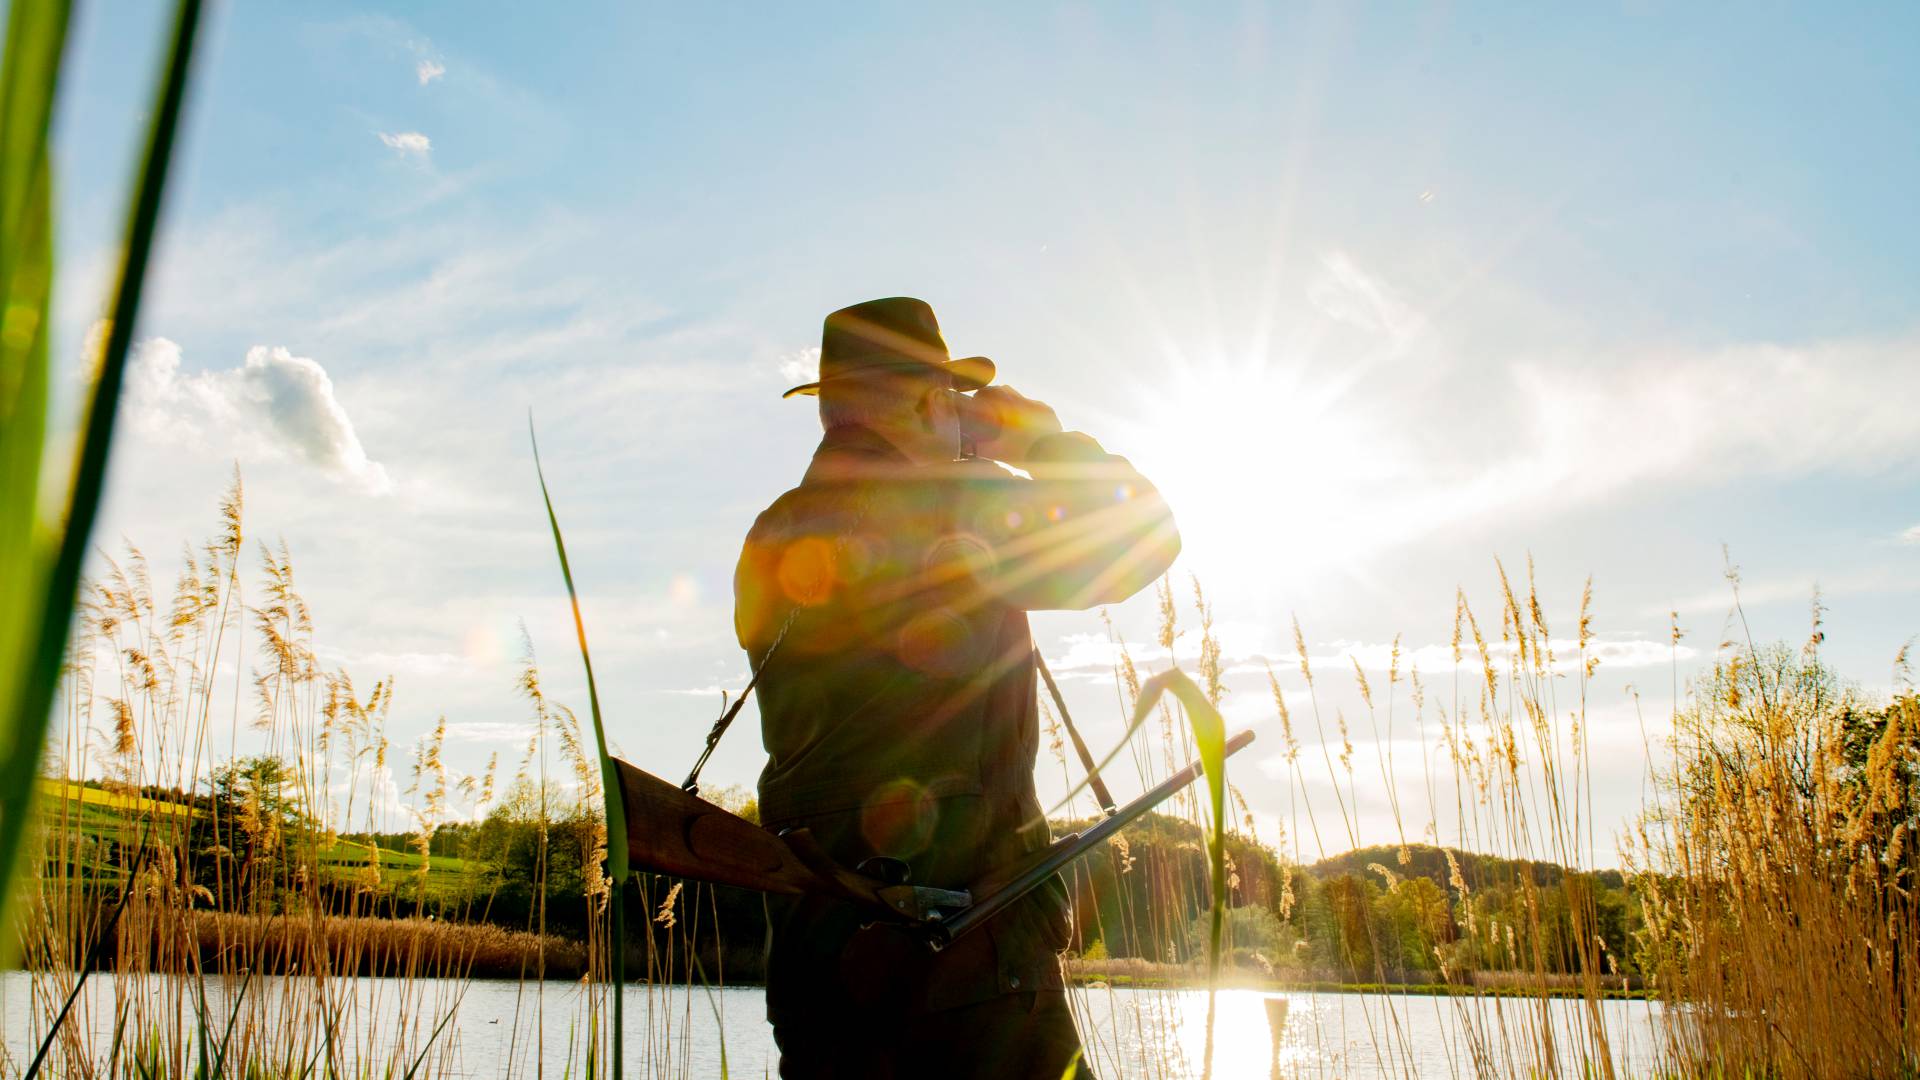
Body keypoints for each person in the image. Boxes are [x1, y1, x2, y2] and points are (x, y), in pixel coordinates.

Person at [734, 297, 1180, 1078]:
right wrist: (1038, 438)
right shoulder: (957, 511)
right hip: (972, 975)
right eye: (953, 400)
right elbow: (1146, 536)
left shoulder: (771, 536)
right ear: (931, 400)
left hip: (817, 968)